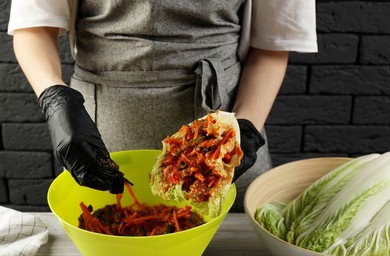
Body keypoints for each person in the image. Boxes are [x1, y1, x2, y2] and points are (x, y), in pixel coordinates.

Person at [8, 0, 317, 212]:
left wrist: (247, 127)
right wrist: (54, 98)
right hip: (101, 125)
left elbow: (273, 45)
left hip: (228, 120)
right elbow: (34, 25)